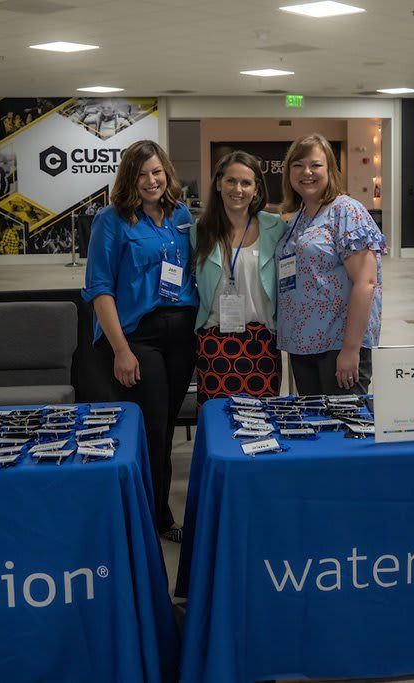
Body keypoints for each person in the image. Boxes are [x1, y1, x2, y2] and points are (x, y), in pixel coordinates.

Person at [83, 140, 198, 543]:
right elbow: (99, 288)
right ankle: (150, 521)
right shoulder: (111, 220)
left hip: (182, 333)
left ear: (166, 173)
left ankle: (157, 512)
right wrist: (121, 350)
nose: (150, 181)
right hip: (139, 336)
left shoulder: (181, 215)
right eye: (141, 173)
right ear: (129, 178)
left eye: (156, 172)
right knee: (150, 430)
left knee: (165, 428)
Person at [276, 133, 386, 395]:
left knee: (343, 430)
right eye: (298, 165)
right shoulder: (299, 218)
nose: (307, 172)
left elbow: (366, 282)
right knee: (316, 429)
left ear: (330, 170)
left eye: (315, 165)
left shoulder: (346, 211)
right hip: (302, 345)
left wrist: (350, 349)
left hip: (338, 344)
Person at [191, 151, 288, 406]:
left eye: (246, 183)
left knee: (263, 424)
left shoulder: (275, 227)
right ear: (219, 184)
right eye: (231, 181)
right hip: (215, 342)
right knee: (218, 422)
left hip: (262, 343)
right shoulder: (200, 231)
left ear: (257, 189)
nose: (238, 189)